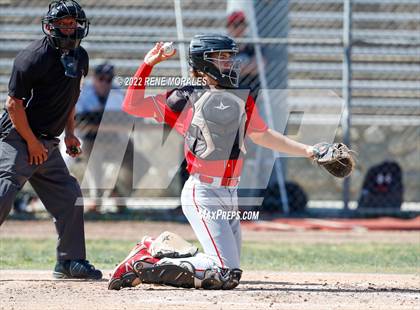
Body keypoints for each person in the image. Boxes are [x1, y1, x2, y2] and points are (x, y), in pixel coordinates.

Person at [108, 35, 316, 290]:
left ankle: (157, 250)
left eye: (230, 57)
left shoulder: (240, 98)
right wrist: (148, 64)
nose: (229, 62)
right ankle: (142, 264)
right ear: (203, 63)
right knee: (225, 273)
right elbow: (132, 105)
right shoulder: (185, 97)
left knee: (223, 269)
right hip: (203, 192)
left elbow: (262, 135)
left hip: (229, 194)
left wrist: (309, 151)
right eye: (222, 57)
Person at [0, 0, 102, 280]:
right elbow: (13, 105)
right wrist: (31, 142)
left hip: (47, 143)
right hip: (18, 138)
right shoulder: (31, 57)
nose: (70, 30)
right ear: (51, 26)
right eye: (64, 24)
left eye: (74, 24)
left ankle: (70, 262)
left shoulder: (80, 57)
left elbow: (71, 98)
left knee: (70, 197)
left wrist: (69, 133)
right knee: (3, 192)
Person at [75, 62, 141, 212]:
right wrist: (104, 120)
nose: (104, 83)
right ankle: (96, 199)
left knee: (137, 159)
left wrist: (97, 118)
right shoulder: (85, 92)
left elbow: (128, 120)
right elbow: (80, 122)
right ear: (94, 78)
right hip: (88, 140)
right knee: (94, 156)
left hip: (114, 139)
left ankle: (118, 192)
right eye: (101, 78)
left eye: (108, 79)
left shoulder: (117, 92)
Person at [227, 11, 261, 99]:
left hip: (251, 90)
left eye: (242, 24)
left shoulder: (251, 46)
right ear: (230, 27)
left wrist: (236, 69)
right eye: (235, 25)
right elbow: (223, 68)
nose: (240, 28)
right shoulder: (225, 46)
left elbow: (259, 66)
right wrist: (247, 67)